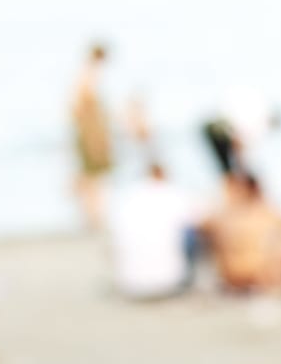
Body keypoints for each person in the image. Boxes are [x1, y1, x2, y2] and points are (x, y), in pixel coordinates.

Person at [200, 174, 281, 293]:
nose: (229, 194)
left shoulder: (267, 214)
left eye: (234, 190)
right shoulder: (223, 217)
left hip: (262, 279)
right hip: (235, 281)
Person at [106, 162, 199, 300]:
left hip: (129, 284)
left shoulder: (126, 197)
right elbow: (199, 220)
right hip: (168, 283)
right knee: (191, 232)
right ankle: (187, 280)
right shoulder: (171, 193)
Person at [71, 42, 115, 233]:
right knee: (92, 177)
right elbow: (78, 108)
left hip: (91, 132)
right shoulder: (87, 77)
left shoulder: (87, 75)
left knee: (91, 177)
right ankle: (93, 217)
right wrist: (94, 135)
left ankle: (93, 216)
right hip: (91, 133)